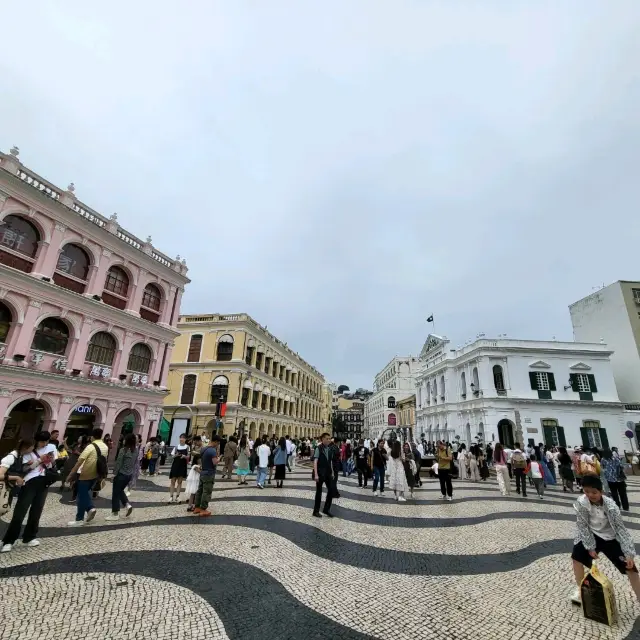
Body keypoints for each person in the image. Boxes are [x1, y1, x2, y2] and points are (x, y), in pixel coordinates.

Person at [569, 474, 640, 605]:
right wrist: (590, 547)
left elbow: (620, 529)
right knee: (576, 558)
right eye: (586, 491)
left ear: (601, 491)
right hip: (590, 534)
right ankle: (581, 590)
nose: (590, 495)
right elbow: (582, 525)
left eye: (594, 492)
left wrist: (628, 553)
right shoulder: (582, 502)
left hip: (610, 536)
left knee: (630, 567)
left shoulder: (611, 506)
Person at [1, 432, 57, 553]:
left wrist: (51, 461)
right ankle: (9, 540)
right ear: (36, 441)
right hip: (29, 482)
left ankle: (30, 536)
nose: (45, 444)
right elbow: (24, 469)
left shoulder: (51, 448)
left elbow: (54, 465)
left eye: (47, 441)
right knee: (20, 512)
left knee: (37, 511)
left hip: (44, 481)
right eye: (42, 442)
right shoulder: (29, 451)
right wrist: (38, 461)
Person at [66, 428, 108, 526]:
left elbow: (79, 461)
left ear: (92, 437)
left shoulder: (90, 446)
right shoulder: (104, 446)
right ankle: (79, 518)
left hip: (86, 473)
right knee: (82, 494)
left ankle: (89, 508)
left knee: (82, 493)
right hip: (96, 473)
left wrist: (71, 474)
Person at [105, 433, 136, 520]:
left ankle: (115, 513)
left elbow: (118, 463)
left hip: (121, 474)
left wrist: (114, 474)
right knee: (120, 490)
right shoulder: (135, 450)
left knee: (115, 493)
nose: (123, 440)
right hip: (129, 474)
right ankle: (127, 504)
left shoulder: (123, 450)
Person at [0, 438, 35, 509]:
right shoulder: (12, 457)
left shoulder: (20, 456)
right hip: (3, 489)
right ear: (26, 447)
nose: (33, 448)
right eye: (32, 446)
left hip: (9, 489)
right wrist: (16, 478)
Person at [193, 434, 220, 517]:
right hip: (209, 473)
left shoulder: (204, 449)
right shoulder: (212, 450)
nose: (218, 445)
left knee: (200, 491)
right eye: (218, 443)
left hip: (203, 472)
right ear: (215, 442)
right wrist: (219, 458)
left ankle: (196, 507)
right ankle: (203, 509)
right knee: (206, 491)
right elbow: (214, 462)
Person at [313, 433, 335, 518]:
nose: (328, 440)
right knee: (319, 492)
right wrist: (316, 474)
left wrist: (332, 472)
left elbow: (330, 462)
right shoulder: (318, 448)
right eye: (327, 439)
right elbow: (315, 461)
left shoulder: (330, 449)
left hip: (328, 472)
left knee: (331, 490)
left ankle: (326, 509)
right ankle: (316, 511)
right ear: (322, 439)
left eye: (329, 439)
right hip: (320, 472)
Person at [168, 434, 190, 503]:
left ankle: (177, 496)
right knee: (172, 481)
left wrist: (184, 456)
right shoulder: (176, 447)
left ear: (185, 439)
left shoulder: (187, 447)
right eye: (180, 438)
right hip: (175, 465)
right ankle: (171, 496)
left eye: (183, 438)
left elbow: (188, 457)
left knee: (180, 482)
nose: (181, 439)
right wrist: (176, 455)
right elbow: (171, 457)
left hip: (182, 465)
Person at [185, 437, 202, 512]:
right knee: (194, 494)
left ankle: (192, 505)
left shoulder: (202, 448)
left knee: (194, 494)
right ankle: (191, 505)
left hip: (196, 481)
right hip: (195, 481)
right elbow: (200, 472)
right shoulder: (195, 466)